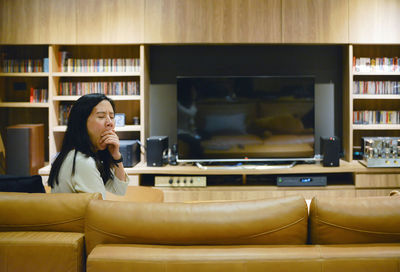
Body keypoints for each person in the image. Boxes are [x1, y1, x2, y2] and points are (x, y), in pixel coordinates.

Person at [48, 93, 129, 199]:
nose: (110, 123)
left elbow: (119, 191)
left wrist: (117, 157)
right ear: (82, 122)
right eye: (101, 116)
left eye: (112, 117)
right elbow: (100, 211)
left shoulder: (85, 156)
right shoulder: (82, 161)